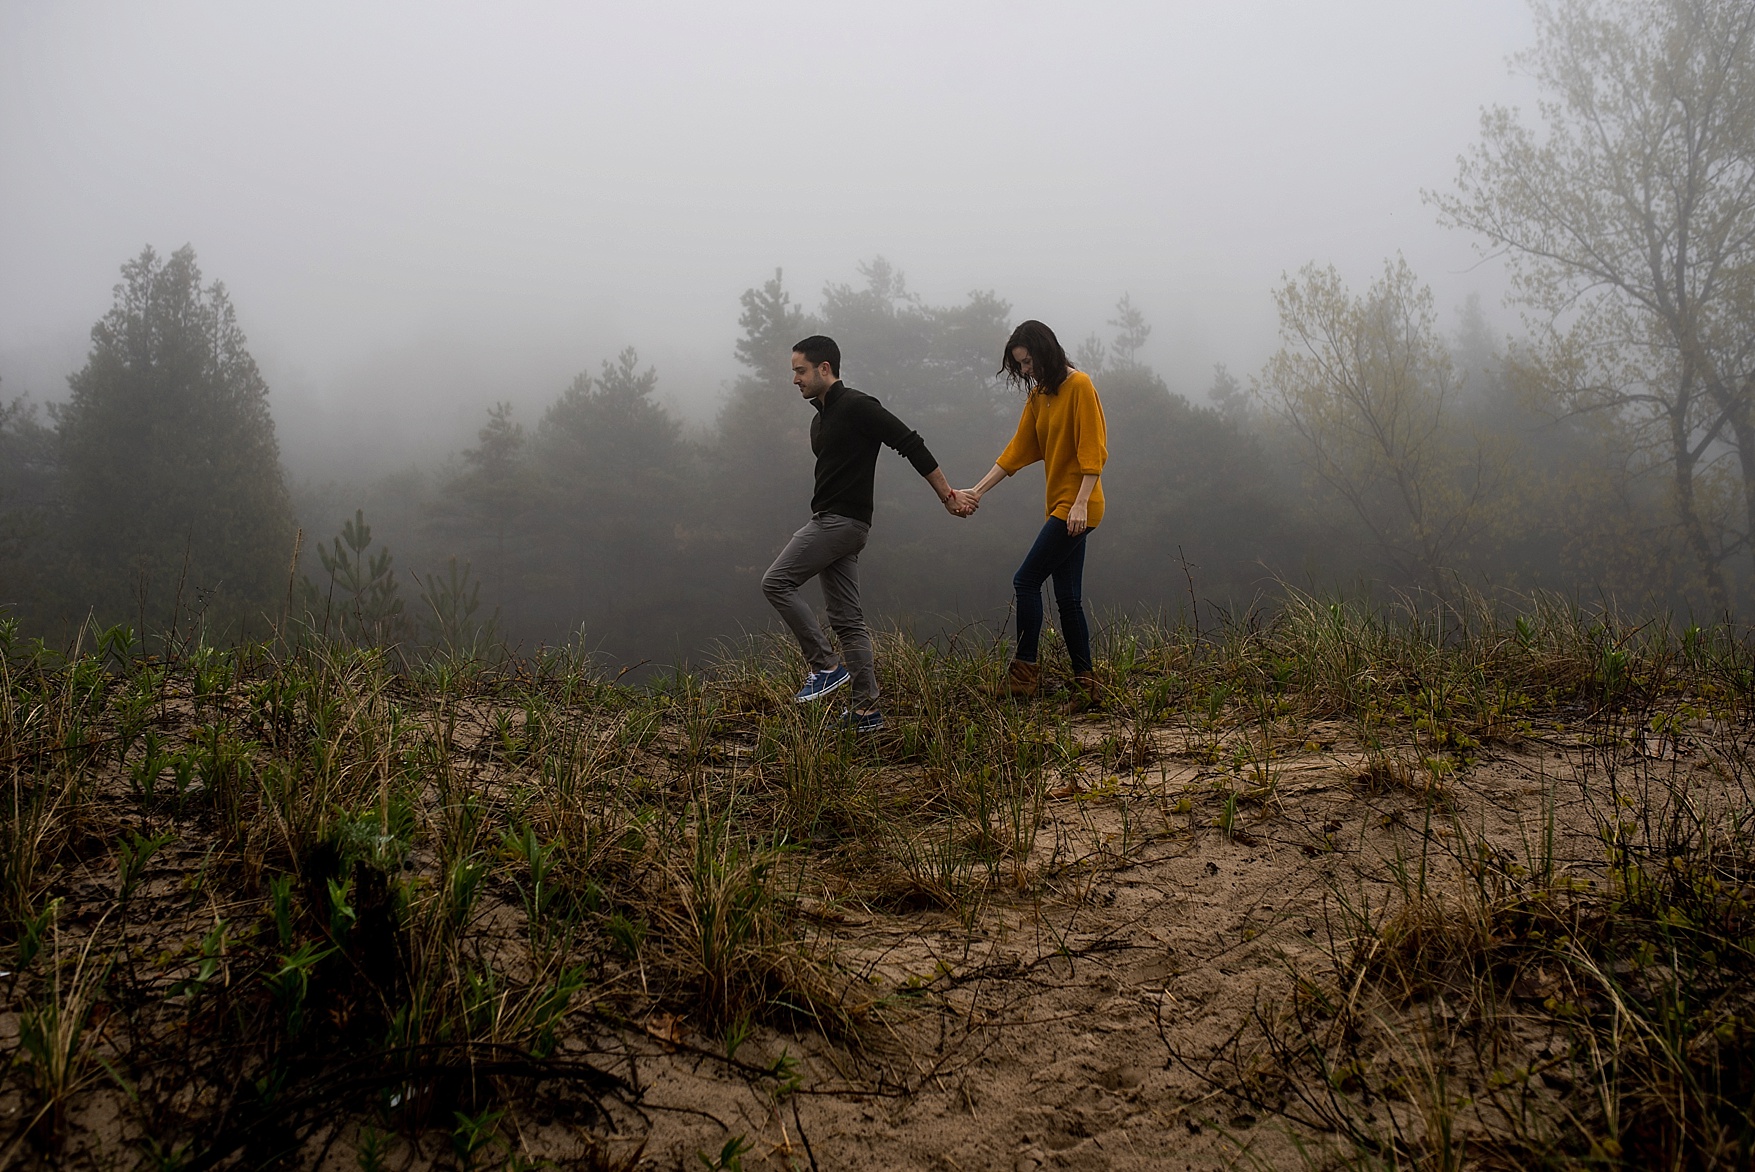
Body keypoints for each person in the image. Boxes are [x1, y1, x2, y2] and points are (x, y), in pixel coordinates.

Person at [762, 335, 973, 732]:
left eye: (800, 371)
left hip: (840, 523)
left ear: (825, 369)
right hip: (836, 522)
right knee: (847, 620)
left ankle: (824, 666)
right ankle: (866, 712)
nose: (795, 380)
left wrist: (947, 495)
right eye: (794, 372)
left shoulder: (859, 406)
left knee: (776, 582)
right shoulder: (819, 418)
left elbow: (910, 443)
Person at [961, 320, 1108, 712]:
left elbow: (1094, 450)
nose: (1025, 372)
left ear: (1044, 351)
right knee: (1068, 598)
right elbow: (1017, 451)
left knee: (1025, 580)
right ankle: (1087, 688)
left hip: (1079, 505)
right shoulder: (1040, 396)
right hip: (1060, 505)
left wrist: (1079, 503)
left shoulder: (1080, 386)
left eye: (1027, 362)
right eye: (1020, 366)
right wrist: (977, 490)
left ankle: (1024, 674)